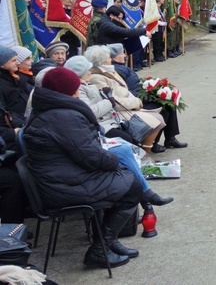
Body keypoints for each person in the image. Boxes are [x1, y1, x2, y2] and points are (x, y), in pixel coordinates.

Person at [24, 66, 143, 268]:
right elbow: (90, 156)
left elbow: (85, 152)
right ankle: (100, 248)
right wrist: (115, 162)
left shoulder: (49, 109)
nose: (79, 91)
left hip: (63, 178)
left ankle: (108, 241)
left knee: (121, 178)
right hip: (64, 186)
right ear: (69, 91)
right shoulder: (63, 116)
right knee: (133, 187)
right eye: (76, 87)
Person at [63, 56, 174, 208]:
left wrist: (108, 97)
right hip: (103, 127)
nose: (90, 70)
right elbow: (90, 112)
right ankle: (146, 194)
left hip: (107, 123)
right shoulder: (80, 88)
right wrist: (108, 101)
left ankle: (146, 193)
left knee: (132, 141)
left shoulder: (87, 84)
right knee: (126, 146)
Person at [84, 45, 166, 152]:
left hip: (127, 105)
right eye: (109, 57)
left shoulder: (108, 71)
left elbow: (125, 90)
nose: (111, 59)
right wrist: (136, 102)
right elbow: (113, 100)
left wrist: (136, 101)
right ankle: (145, 152)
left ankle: (148, 148)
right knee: (156, 121)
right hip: (119, 111)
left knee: (160, 117)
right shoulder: (96, 77)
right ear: (103, 62)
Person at [109, 44, 187, 151]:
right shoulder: (117, 70)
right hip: (135, 101)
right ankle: (153, 143)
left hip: (139, 95)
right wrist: (149, 95)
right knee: (163, 108)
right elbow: (124, 91)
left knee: (169, 102)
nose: (124, 55)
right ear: (113, 58)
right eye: (121, 53)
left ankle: (170, 138)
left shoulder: (121, 67)